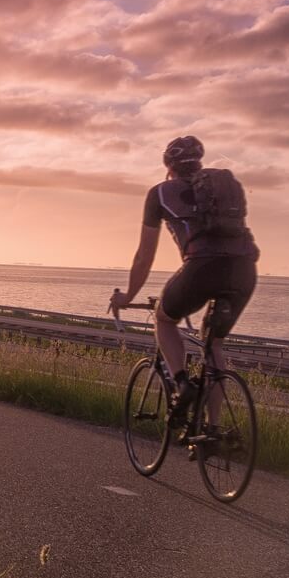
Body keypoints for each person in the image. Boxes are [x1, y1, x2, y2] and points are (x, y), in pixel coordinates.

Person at [109, 136, 259, 423]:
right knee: (213, 345)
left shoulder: (160, 193)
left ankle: (181, 385)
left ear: (169, 166)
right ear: (199, 162)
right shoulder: (223, 190)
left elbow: (144, 257)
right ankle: (212, 429)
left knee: (164, 320)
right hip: (244, 270)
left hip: (201, 268)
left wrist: (127, 296)